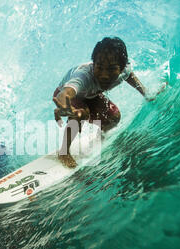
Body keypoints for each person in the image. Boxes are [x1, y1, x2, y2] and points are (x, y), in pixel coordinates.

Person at [53, 36, 164, 168]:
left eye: (111, 69)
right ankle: (64, 152)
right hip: (68, 97)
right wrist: (65, 105)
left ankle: (101, 139)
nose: (104, 75)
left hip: (91, 96)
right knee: (82, 113)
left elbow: (130, 76)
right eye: (99, 67)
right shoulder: (83, 76)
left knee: (114, 117)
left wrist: (145, 93)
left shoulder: (124, 70)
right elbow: (65, 92)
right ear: (93, 64)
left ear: (121, 68)